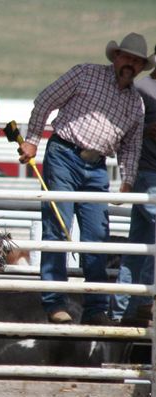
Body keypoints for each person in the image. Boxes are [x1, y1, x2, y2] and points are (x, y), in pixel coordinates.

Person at [19, 33, 151, 326]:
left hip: (97, 166)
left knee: (97, 235)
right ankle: (55, 301)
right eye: (126, 57)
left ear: (141, 67)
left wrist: (127, 180)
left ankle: (95, 308)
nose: (130, 64)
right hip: (64, 152)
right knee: (59, 225)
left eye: (136, 61)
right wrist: (31, 141)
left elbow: (131, 146)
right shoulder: (85, 73)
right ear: (115, 57)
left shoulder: (135, 105)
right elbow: (44, 100)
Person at [111, 50, 156, 327]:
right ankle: (143, 302)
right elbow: (123, 125)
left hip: (148, 173)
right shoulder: (140, 89)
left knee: (141, 243)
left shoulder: (142, 87)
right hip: (146, 170)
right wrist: (147, 129)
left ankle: (122, 311)